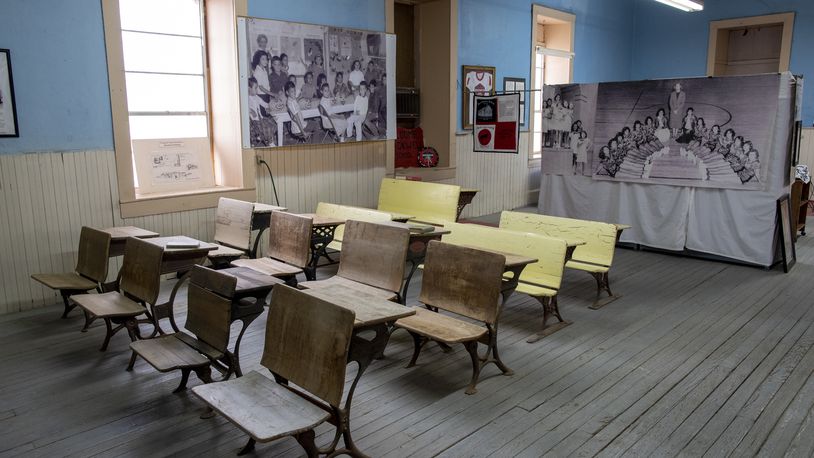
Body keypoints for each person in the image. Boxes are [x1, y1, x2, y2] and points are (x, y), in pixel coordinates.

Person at [247, 77, 276, 147]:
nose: (257, 90)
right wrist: (250, 110)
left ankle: (265, 137)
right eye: (255, 88)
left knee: (274, 123)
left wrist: (269, 107)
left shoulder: (256, 97)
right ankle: (270, 142)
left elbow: (264, 103)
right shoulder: (247, 98)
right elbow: (244, 108)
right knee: (268, 127)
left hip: (261, 118)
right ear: (249, 88)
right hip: (255, 122)